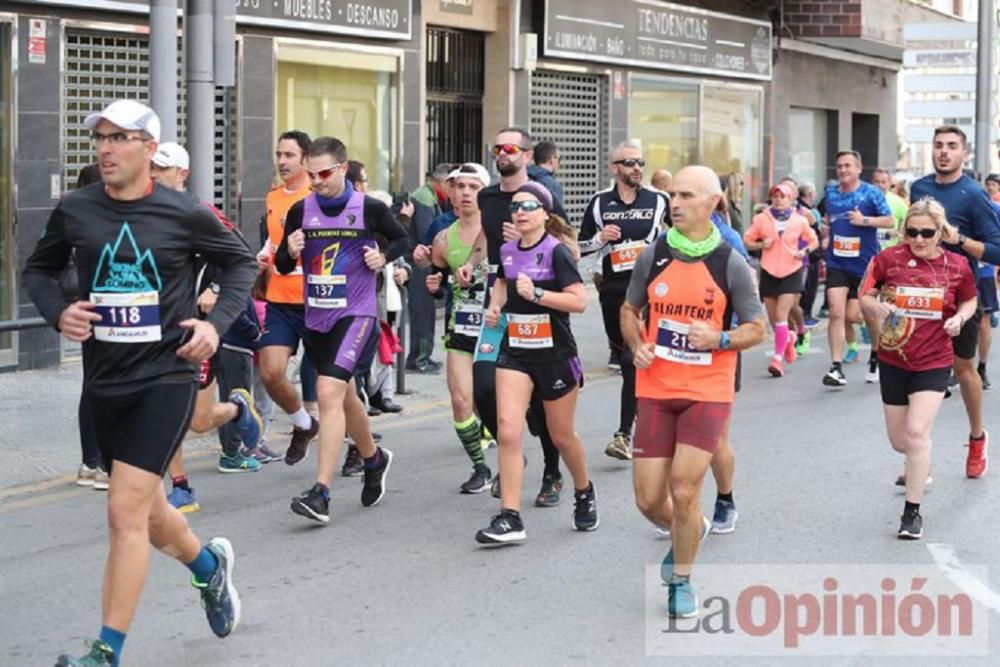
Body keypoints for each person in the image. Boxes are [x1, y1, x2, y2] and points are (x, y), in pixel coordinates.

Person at [24, 100, 253, 666]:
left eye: (119, 137)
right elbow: (38, 268)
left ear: (149, 150)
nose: (105, 148)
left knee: (122, 513)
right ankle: (208, 568)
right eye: (99, 137)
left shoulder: (185, 213)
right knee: (150, 517)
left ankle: (106, 652)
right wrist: (58, 312)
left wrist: (213, 324)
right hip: (105, 379)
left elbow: (241, 264)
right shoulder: (76, 208)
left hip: (165, 375)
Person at [621, 165, 766, 617]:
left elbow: (757, 328)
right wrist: (637, 342)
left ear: (712, 203)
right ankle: (692, 529)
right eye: (673, 195)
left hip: (707, 390)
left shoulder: (730, 262)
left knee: (684, 489)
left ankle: (681, 580)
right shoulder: (655, 255)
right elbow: (630, 308)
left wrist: (720, 339)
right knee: (648, 499)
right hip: (657, 388)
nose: (675, 203)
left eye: (686, 196)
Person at [275, 136, 409, 524]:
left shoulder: (368, 208)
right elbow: (283, 265)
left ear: (343, 168)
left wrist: (382, 256)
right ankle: (373, 459)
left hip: (356, 314)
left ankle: (321, 492)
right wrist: (292, 250)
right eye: (311, 174)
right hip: (317, 317)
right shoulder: (301, 211)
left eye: (324, 173)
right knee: (347, 396)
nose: (316, 181)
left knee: (328, 392)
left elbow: (402, 237)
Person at [475, 182, 597, 544]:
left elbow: (579, 301)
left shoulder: (556, 252)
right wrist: (496, 306)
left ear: (546, 213)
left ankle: (583, 489)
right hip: (516, 351)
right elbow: (501, 283)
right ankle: (510, 517)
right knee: (508, 431)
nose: (521, 212)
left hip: (556, 355)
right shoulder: (508, 251)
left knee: (561, 436)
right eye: (515, 207)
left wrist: (539, 294)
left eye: (529, 206)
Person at [457, 127, 569, 508]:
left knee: (542, 400)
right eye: (497, 147)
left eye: (510, 147)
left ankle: (552, 473)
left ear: (526, 154)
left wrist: (529, 237)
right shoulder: (488, 197)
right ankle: (512, 450)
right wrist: (472, 263)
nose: (502, 153)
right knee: (483, 387)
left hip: (538, 308)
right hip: (499, 302)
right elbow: (483, 240)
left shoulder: (542, 195)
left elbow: (566, 243)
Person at [149, 142, 264, 513]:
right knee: (160, 410)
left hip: (195, 332)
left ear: (181, 174)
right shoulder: (139, 216)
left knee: (199, 421)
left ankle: (236, 410)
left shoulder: (201, 214)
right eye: (150, 166)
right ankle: (180, 487)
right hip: (154, 331)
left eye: (161, 168)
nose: (152, 173)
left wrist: (215, 290)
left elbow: (242, 259)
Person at [859, 199, 977, 539]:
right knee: (900, 442)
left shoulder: (956, 266)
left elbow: (969, 299)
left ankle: (912, 513)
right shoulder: (888, 259)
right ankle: (919, 462)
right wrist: (875, 305)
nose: (920, 239)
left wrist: (959, 317)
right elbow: (864, 294)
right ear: (904, 231)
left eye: (927, 232)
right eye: (912, 232)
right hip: (894, 359)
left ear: (940, 232)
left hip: (934, 360)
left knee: (916, 434)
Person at [910, 126, 1000, 478]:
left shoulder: (974, 195)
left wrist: (958, 238)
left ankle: (977, 437)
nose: (944, 152)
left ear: (964, 153)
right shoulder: (919, 188)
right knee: (917, 372)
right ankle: (917, 454)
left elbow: (996, 250)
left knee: (963, 372)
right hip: (920, 295)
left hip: (962, 293)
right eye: (938, 146)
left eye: (951, 146)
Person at [579, 139, 669, 460]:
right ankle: (645, 409)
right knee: (625, 357)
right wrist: (600, 238)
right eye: (629, 163)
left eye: (640, 163)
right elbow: (580, 246)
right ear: (614, 168)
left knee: (633, 359)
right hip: (613, 289)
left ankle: (623, 435)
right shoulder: (599, 202)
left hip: (649, 289)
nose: (637, 168)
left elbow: (683, 235)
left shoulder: (659, 200)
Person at [425, 163, 493, 493]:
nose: (465, 193)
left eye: (473, 187)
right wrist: (434, 284)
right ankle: (480, 467)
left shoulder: (501, 232)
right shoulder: (442, 239)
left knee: (489, 396)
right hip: (461, 327)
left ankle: (508, 449)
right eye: (460, 186)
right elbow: (437, 285)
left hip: (497, 328)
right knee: (460, 399)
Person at [256, 130, 321, 465]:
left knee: (337, 384)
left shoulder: (320, 195)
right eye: (278, 154)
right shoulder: (273, 197)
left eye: (289, 155)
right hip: (280, 299)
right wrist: (262, 257)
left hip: (318, 301)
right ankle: (303, 424)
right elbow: (272, 241)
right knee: (270, 371)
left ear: (306, 159)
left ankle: (360, 446)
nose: (282, 161)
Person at [820, 150, 894, 387]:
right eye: (839, 166)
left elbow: (890, 220)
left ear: (858, 169)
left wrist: (864, 221)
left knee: (860, 316)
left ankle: (876, 355)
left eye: (848, 166)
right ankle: (835, 367)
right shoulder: (830, 194)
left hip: (864, 265)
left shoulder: (870, 193)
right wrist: (826, 233)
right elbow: (828, 219)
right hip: (837, 262)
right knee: (836, 312)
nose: (843, 170)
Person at [743, 182, 818, 377]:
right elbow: (747, 240)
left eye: (782, 196)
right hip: (768, 270)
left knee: (782, 315)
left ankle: (777, 360)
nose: (778, 200)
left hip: (792, 270)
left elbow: (813, 240)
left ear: (791, 198)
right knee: (774, 319)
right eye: (775, 196)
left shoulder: (799, 220)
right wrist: (761, 244)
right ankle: (790, 338)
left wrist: (804, 251)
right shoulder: (761, 219)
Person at [71, 164, 111, 491]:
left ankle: (89, 462)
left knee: (91, 384)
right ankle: (105, 467)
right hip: (107, 312)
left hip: (83, 308)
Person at [797, 181, 823, 330]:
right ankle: (805, 316)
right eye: (813, 193)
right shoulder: (805, 212)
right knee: (808, 286)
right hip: (808, 255)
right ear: (809, 195)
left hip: (807, 253)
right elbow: (812, 233)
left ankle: (804, 316)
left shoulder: (804, 209)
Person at [872, 168, 908, 249]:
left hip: (890, 252)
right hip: (870, 251)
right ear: (872, 183)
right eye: (877, 182)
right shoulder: (864, 200)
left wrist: (899, 233)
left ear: (889, 184)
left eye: (883, 182)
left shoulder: (898, 202)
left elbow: (909, 221)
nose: (880, 185)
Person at [527, 139, 565, 207]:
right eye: (559, 159)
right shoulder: (552, 185)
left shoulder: (523, 177)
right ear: (551, 160)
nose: (559, 163)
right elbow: (556, 215)